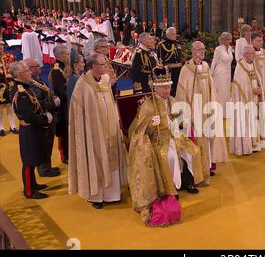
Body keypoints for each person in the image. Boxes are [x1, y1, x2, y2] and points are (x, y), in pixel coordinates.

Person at [128, 66, 206, 225]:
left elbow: (181, 120)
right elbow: (139, 131)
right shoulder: (148, 104)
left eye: (169, 86)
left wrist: (181, 124)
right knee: (168, 157)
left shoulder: (172, 100)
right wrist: (151, 124)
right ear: (155, 87)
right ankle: (170, 190)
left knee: (192, 151)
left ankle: (187, 181)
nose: (167, 90)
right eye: (164, 87)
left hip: (174, 135)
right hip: (157, 140)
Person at [68, 53, 127, 209]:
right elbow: (79, 114)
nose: (105, 67)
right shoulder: (83, 85)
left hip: (110, 129)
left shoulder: (105, 80)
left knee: (112, 156)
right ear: (93, 66)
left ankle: (113, 194)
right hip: (94, 131)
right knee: (96, 158)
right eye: (102, 65)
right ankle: (97, 196)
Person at [176, 41, 229, 177]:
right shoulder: (186, 69)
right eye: (198, 49)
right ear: (192, 51)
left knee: (210, 137)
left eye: (203, 49)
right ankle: (198, 167)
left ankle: (210, 165)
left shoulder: (206, 66)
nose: (201, 52)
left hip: (207, 108)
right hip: (194, 110)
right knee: (198, 139)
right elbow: (182, 93)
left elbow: (212, 87)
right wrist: (187, 112)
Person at [10, 61, 53, 199]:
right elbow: (29, 116)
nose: (30, 73)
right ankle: (29, 190)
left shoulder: (24, 87)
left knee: (34, 157)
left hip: (33, 129)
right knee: (29, 161)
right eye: (27, 71)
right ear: (21, 74)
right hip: (29, 130)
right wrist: (45, 119)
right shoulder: (21, 92)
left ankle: (33, 184)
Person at [24, 58, 61, 177]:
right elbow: (39, 102)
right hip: (44, 118)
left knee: (48, 143)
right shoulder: (31, 84)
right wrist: (53, 103)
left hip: (49, 116)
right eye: (36, 66)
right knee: (45, 144)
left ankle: (47, 167)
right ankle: (44, 169)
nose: (40, 67)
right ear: (29, 69)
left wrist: (53, 98)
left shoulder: (37, 80)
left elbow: (48, 92)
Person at [230, 46, 265, 156]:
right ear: (245, 54)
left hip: (254, 100)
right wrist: (253, 91)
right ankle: (245, 146)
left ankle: (254, 144)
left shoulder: (251, 65)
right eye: (251, 53)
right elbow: (240, 88)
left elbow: (257, 80)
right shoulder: (240, 68)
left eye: (253, 53)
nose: (254, 55)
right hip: (244, 102)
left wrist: (260, 89)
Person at [49, 45, 70, 164]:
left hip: (67, 105)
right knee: (64, 131)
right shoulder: (57, 70)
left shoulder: (63, 67)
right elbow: (60, 92)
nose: (68, 56)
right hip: (62, 107)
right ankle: (64, 155)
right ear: (61, 55)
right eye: (66, 54)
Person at [211, 32, 233, 111]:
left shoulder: (230, 48)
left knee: (227, 91)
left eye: (230, 39)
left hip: (228, 73)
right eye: (228, 39)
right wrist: (211, 73)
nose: (230, 41)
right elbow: (214, 61)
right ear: (223, 40)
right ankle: (218, 111)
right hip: (219, 74)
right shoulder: (218, 49)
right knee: (220, 91)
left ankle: (225, 111)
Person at [157, 27, 183, 96]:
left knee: (178, 88)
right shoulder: (162, 45)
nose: (176, 35)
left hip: (178, 70)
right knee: (169, 90)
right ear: (168, 35)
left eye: (175, 34)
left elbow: (180, 57)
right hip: (169, 71)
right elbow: (159, 60)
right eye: (174, 34)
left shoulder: (177, 43)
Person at [251, 32, 265, 114]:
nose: (261, 42)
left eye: (261, 40)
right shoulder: (250, 52)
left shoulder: (263, 51)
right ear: (252, 42)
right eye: (258, 41)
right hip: (256, 79)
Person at [0, 41, 17, 136]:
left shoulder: (9, 56)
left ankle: (13, 126)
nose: (1, 47)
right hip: (1, 85)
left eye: (2, 45)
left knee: (10, 106)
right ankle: (1, 127)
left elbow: (15, 67)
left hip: (9, 83)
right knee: (0, 107)